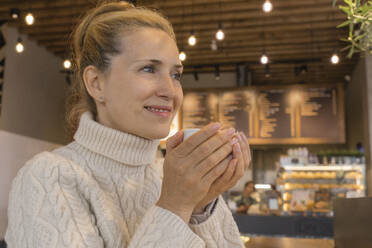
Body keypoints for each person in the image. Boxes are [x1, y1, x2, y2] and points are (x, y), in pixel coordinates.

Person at [5, 1, 252, 247]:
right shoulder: (49, 177)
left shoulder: (170, 178)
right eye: (148, 69)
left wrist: (199, 208)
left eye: (175, 74)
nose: (170, 91)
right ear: (96, 83)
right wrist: (175, 207)